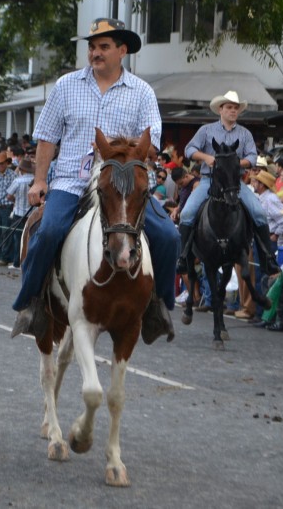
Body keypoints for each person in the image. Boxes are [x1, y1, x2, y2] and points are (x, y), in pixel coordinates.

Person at [11, 17, 179, 344]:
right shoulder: (66, 85)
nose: (95, 53)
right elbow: (47, 137)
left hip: (122, 186)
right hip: (71, 181)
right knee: (48, 232)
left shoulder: (142, 92)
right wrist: (39, 181)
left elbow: (152, 145)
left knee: (168, 236)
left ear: (122, 50)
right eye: (92, 47)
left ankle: (159, 307)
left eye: (103, 47)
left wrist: (120, 154)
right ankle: (30, 305)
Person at [175, 90, 281, 278]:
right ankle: (182, 257)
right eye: (229, 107)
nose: (233, 111)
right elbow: (189, 149)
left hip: (235, 183)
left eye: (236, 108)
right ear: (220, 110)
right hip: (209, 180)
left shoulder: (245, 133)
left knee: (258, 212)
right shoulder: (206, 131)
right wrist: (206, 157)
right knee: (187, 213)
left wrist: (233, 164)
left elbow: (252, 156)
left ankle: (268, 258)